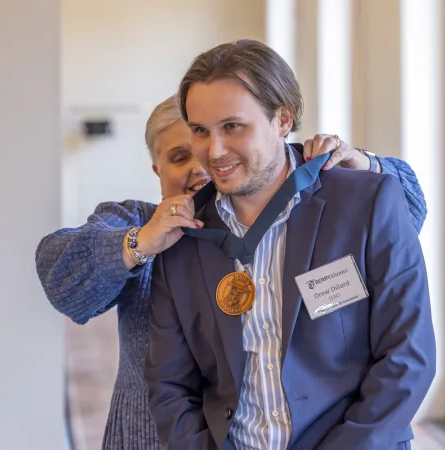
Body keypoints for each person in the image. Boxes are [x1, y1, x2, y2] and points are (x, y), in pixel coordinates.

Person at [36, 93, 427, 450]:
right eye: (178, 157)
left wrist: (365, 164)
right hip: (153, 437)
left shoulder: (300, 212)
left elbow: (404, 217)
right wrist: (140, 243)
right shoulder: (141, 222)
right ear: (156, 170)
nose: (202, 167)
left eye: (209, 149)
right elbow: (62, 281)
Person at [144, 40, 435, 450]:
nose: (215, 151)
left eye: (232, 126)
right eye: (200, 131)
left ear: (283, 119)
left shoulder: (366, 202)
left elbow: (408, 358)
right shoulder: (181, 236)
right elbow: (169, 385)